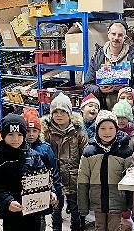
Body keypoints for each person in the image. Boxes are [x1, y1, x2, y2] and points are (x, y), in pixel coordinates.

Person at [0, 114, 60, 231]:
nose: (15, 139)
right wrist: (8, 201)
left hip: (33, 211)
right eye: (10, 134)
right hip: (12, 213)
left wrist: (50, 192)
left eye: (20, 135)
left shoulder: (34, 156)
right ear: (3, 135)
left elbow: (44, 177)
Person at [77, 110, 133, 231]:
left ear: (116, 129)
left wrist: (130, 203)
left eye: (111, 128)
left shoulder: (125, 151)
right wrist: (83, 205)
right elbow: (83, 179)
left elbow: (130, 179)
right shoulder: (89, 152)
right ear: (97, 130)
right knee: (99, 226)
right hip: (97, 200)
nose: (107, 132)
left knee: (114, 227)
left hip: (117, 200)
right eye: (102, 128)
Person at [41, 93, 88, 231]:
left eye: (63, 111)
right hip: (54, 179)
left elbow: (85, 156)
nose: (59, 115)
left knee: (75, 209)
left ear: (70, 113)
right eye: (55, 111)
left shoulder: (78, 133)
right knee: (56, 209)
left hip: (74, 178)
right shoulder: (46, 133)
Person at [84, 20, 134, 110]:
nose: (116, 38)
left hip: (126, 111)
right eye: (113, 34)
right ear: (108, 34)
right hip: (103, 109)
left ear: (125, 37)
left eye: (120, 35)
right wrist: (99, 90)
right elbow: (88, 85)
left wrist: (128, 89)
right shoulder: (97, 56)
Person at [22, 107, 62, 231]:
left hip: (41, 193)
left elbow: (54, 171)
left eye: (35, 131)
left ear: (39, 132)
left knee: (40, 221)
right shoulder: (18, 148)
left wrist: (55, 191)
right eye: (28, 130)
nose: (31, 134)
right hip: (23, 194)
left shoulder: (45, 149)